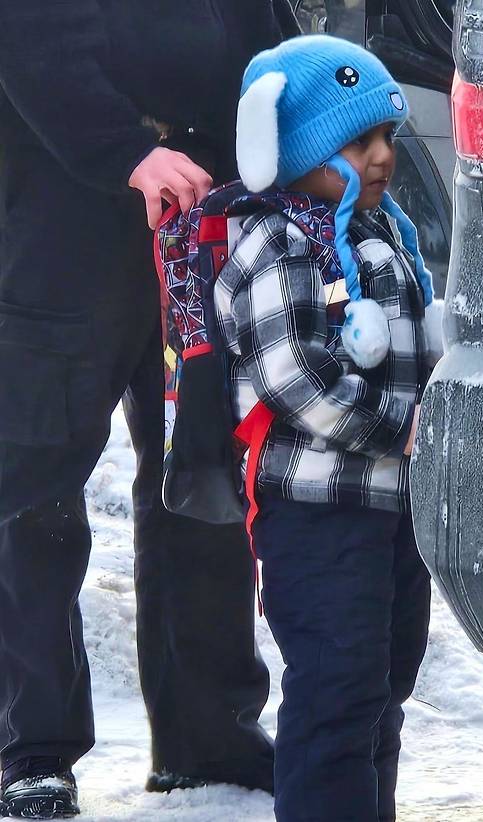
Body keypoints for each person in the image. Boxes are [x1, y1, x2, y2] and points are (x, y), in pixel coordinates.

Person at [0, 1, 299, 818]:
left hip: (204, 224)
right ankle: (33, 749)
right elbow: (28, 35)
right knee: (34, 491)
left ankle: (208, 738)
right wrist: (128, 151)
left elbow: (269, 42)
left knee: (202, 472)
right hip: (63, 230)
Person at [215, 35, 444, 821]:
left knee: (382, 694)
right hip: (317, 515)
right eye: (358, 142)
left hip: (388, 514)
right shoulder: (276, 240)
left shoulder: (382, 234)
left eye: (386, 137)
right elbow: (294, 380)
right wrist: (399, 429)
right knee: (335, 697)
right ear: (294, 145)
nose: (382, 156)